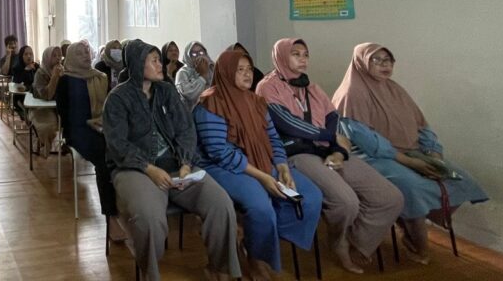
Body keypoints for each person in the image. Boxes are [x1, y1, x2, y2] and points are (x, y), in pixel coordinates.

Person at [333, 43, 487, 265]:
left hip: (411, 150)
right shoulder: (351, 93)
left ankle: (408, 220)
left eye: (388, 60)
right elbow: (367, 141)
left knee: (460, 179)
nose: (385, 65)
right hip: (373, 156)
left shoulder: (394, 89)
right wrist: (409, 162)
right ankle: (414, 237)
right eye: (377, 60)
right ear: (362, 63)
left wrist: (434, 154)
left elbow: (422, 124)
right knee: (412, 188)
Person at [257, 39, 403, 273]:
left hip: (326, 148)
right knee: (346, 202)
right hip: (296, 153)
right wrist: (331, 137)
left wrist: (337, 149)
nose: (303, 59)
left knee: (390, 197)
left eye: (306, 54)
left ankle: (358, 242)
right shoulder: (267, 87)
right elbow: (287, 124)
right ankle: (339, 242)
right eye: (296, 54)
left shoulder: (311, 88)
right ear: (281, 56)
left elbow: (332, 116)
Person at [103, 40, 241, 281]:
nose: (161, 65)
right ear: (138, 64)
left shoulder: (167, 91)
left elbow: (186, 130)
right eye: (154, 60)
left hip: (177, 166)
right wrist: (149, 169)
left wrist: (186, 163)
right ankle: (150, 274)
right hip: (135, 169)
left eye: (159, 59)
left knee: (221, 204)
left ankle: (220, 268)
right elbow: (118, 145)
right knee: (149, 218)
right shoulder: (118, 98)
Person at [195, 50, 323, 281]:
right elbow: (219, 152)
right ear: (225, 72)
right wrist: (263, 177)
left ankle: (253, 237)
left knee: (310, 196)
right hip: (223, 167)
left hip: (261, 160)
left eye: (249, 69)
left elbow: (273, 138)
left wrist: (282, 167)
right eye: (240, 70)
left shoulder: (256, 101)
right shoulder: (210, 102)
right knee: (261, 207)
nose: (247, 74)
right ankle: (258, 257)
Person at [55, 41, 124, 240]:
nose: (86, 55)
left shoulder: (99, 77)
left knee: (123, 149)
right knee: (104, 158)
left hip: (100, 126)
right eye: (80, 53)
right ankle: (111, 217)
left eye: (87, 52)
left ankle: (125, 204)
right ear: (71, 57)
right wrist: (89, 123)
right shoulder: (65, 80)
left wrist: (100, 122)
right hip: (78, 131)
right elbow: (64, 115)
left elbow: (108, 107)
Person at [30, 46, 64, 157]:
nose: (58, 58)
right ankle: (45, 146)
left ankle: (66, 146)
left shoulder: (63, 71)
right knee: (47, 127)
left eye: (59, 55)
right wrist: (54, 77)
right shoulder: (40, 74)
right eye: (54, 56)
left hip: (58, 107)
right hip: (43, 108)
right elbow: (47, 96)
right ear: (47, 58)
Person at [175, 41, 214, 110]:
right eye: (194, 54)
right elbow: (190, 95)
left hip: (213, 109)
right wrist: (202, 76)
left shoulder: (212, 67)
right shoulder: (183, 73)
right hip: (192, 112)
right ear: (188, 56)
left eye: (201, 52)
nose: (199, 56)